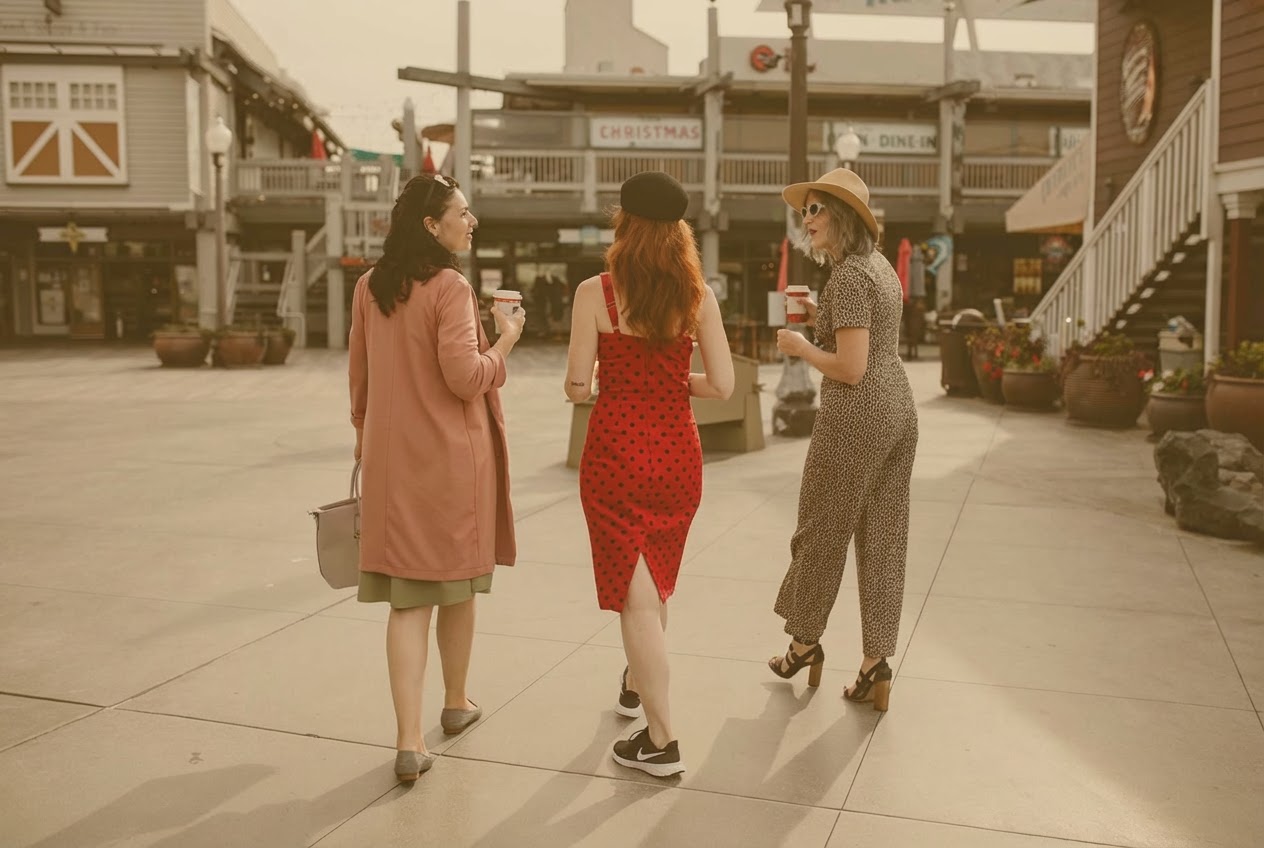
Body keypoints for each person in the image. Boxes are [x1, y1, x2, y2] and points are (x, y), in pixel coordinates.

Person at [348, 173, 527, 782]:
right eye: (463, 212)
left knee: (406, 602)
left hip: (391, 463)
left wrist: (365, 439)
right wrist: (504, 344)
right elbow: (465, 377)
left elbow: (360, 379)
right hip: (451, 462)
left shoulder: (369, 286)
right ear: (433, 225)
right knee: (456, 587)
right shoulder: (450, 287)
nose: (471, 221)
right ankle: (455, 703)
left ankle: (408, 739)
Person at [564, 171, 734, 777]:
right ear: (679, 233)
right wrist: (668, 380)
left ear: (624, 225)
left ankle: (662, 742)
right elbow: (721, 386)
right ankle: (636, 684)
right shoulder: (698, 296)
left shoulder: (595, 294)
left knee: (636, 599)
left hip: (615, 454)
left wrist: (611, 378)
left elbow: (578, 386)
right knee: (653, 580)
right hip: (676, 456)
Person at [766, 168, 919, 713]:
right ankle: (875, 658)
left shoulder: (850, 277)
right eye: (802, 210)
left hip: (855, 415)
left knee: (821, 530)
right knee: (883, 536)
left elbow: (850, 368)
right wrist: (820, 315)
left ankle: (803, 645)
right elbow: (868, 336)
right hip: (897, 408)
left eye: (814, 210)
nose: (804, 220)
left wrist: (800, 344)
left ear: (843, 217)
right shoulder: (877, 269)